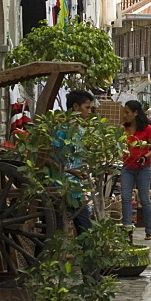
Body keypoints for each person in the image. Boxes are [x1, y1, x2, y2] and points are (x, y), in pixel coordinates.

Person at [56, 89, 95, 235]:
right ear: (76, 107)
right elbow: (49, 159)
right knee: (81, 228)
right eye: (87, 107)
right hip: (60, 187)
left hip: (75, 188)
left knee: (83, 227)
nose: (90, 111)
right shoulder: (61, 131)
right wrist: (69, 171)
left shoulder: (80, 130)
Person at [121, 100, 151, 240]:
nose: (125, 115)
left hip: (143, 168)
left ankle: (149, 231)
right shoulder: (123, 128)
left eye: (127, 112)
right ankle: (127, 231)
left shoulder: (147, 129)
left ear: (135, 113)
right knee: (125, 198)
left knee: (144, 199)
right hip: (127, 168)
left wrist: (145, 156)